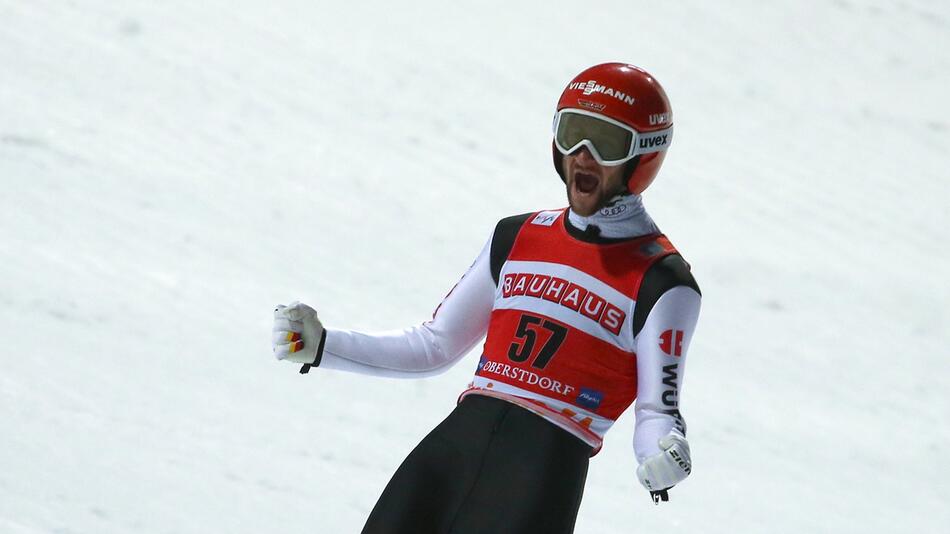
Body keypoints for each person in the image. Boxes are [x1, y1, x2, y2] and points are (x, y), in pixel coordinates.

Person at [271, 62, 701, 534]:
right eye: (572, 133)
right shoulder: (516, 235)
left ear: (644, 156)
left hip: (539, 473)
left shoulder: (662, 278)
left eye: (607, 142)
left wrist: (664, 453)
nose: (583, 155)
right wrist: (323, 344)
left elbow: (658, 411)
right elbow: (434, 345)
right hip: (451, 453)